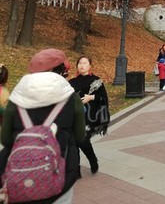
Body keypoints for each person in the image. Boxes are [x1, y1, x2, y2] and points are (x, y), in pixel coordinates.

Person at [0, 48, 86, 203]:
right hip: (61, 174)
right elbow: (80, 136)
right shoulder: (72, 98)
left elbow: (5, 140)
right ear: (58, 72)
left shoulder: (16, 97)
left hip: (20, 175)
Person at [69, 56, 110, 175]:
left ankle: (93, 160)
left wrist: (91, 97)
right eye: (79, 63)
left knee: (83, 140)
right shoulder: (71, 82)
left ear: (89, 65)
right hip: (74, 115)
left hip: (90, 116)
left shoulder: (96, 81)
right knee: (73, 142)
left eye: (84, 63)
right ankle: (76, 170)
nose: (81, 65)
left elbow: (104, 98)